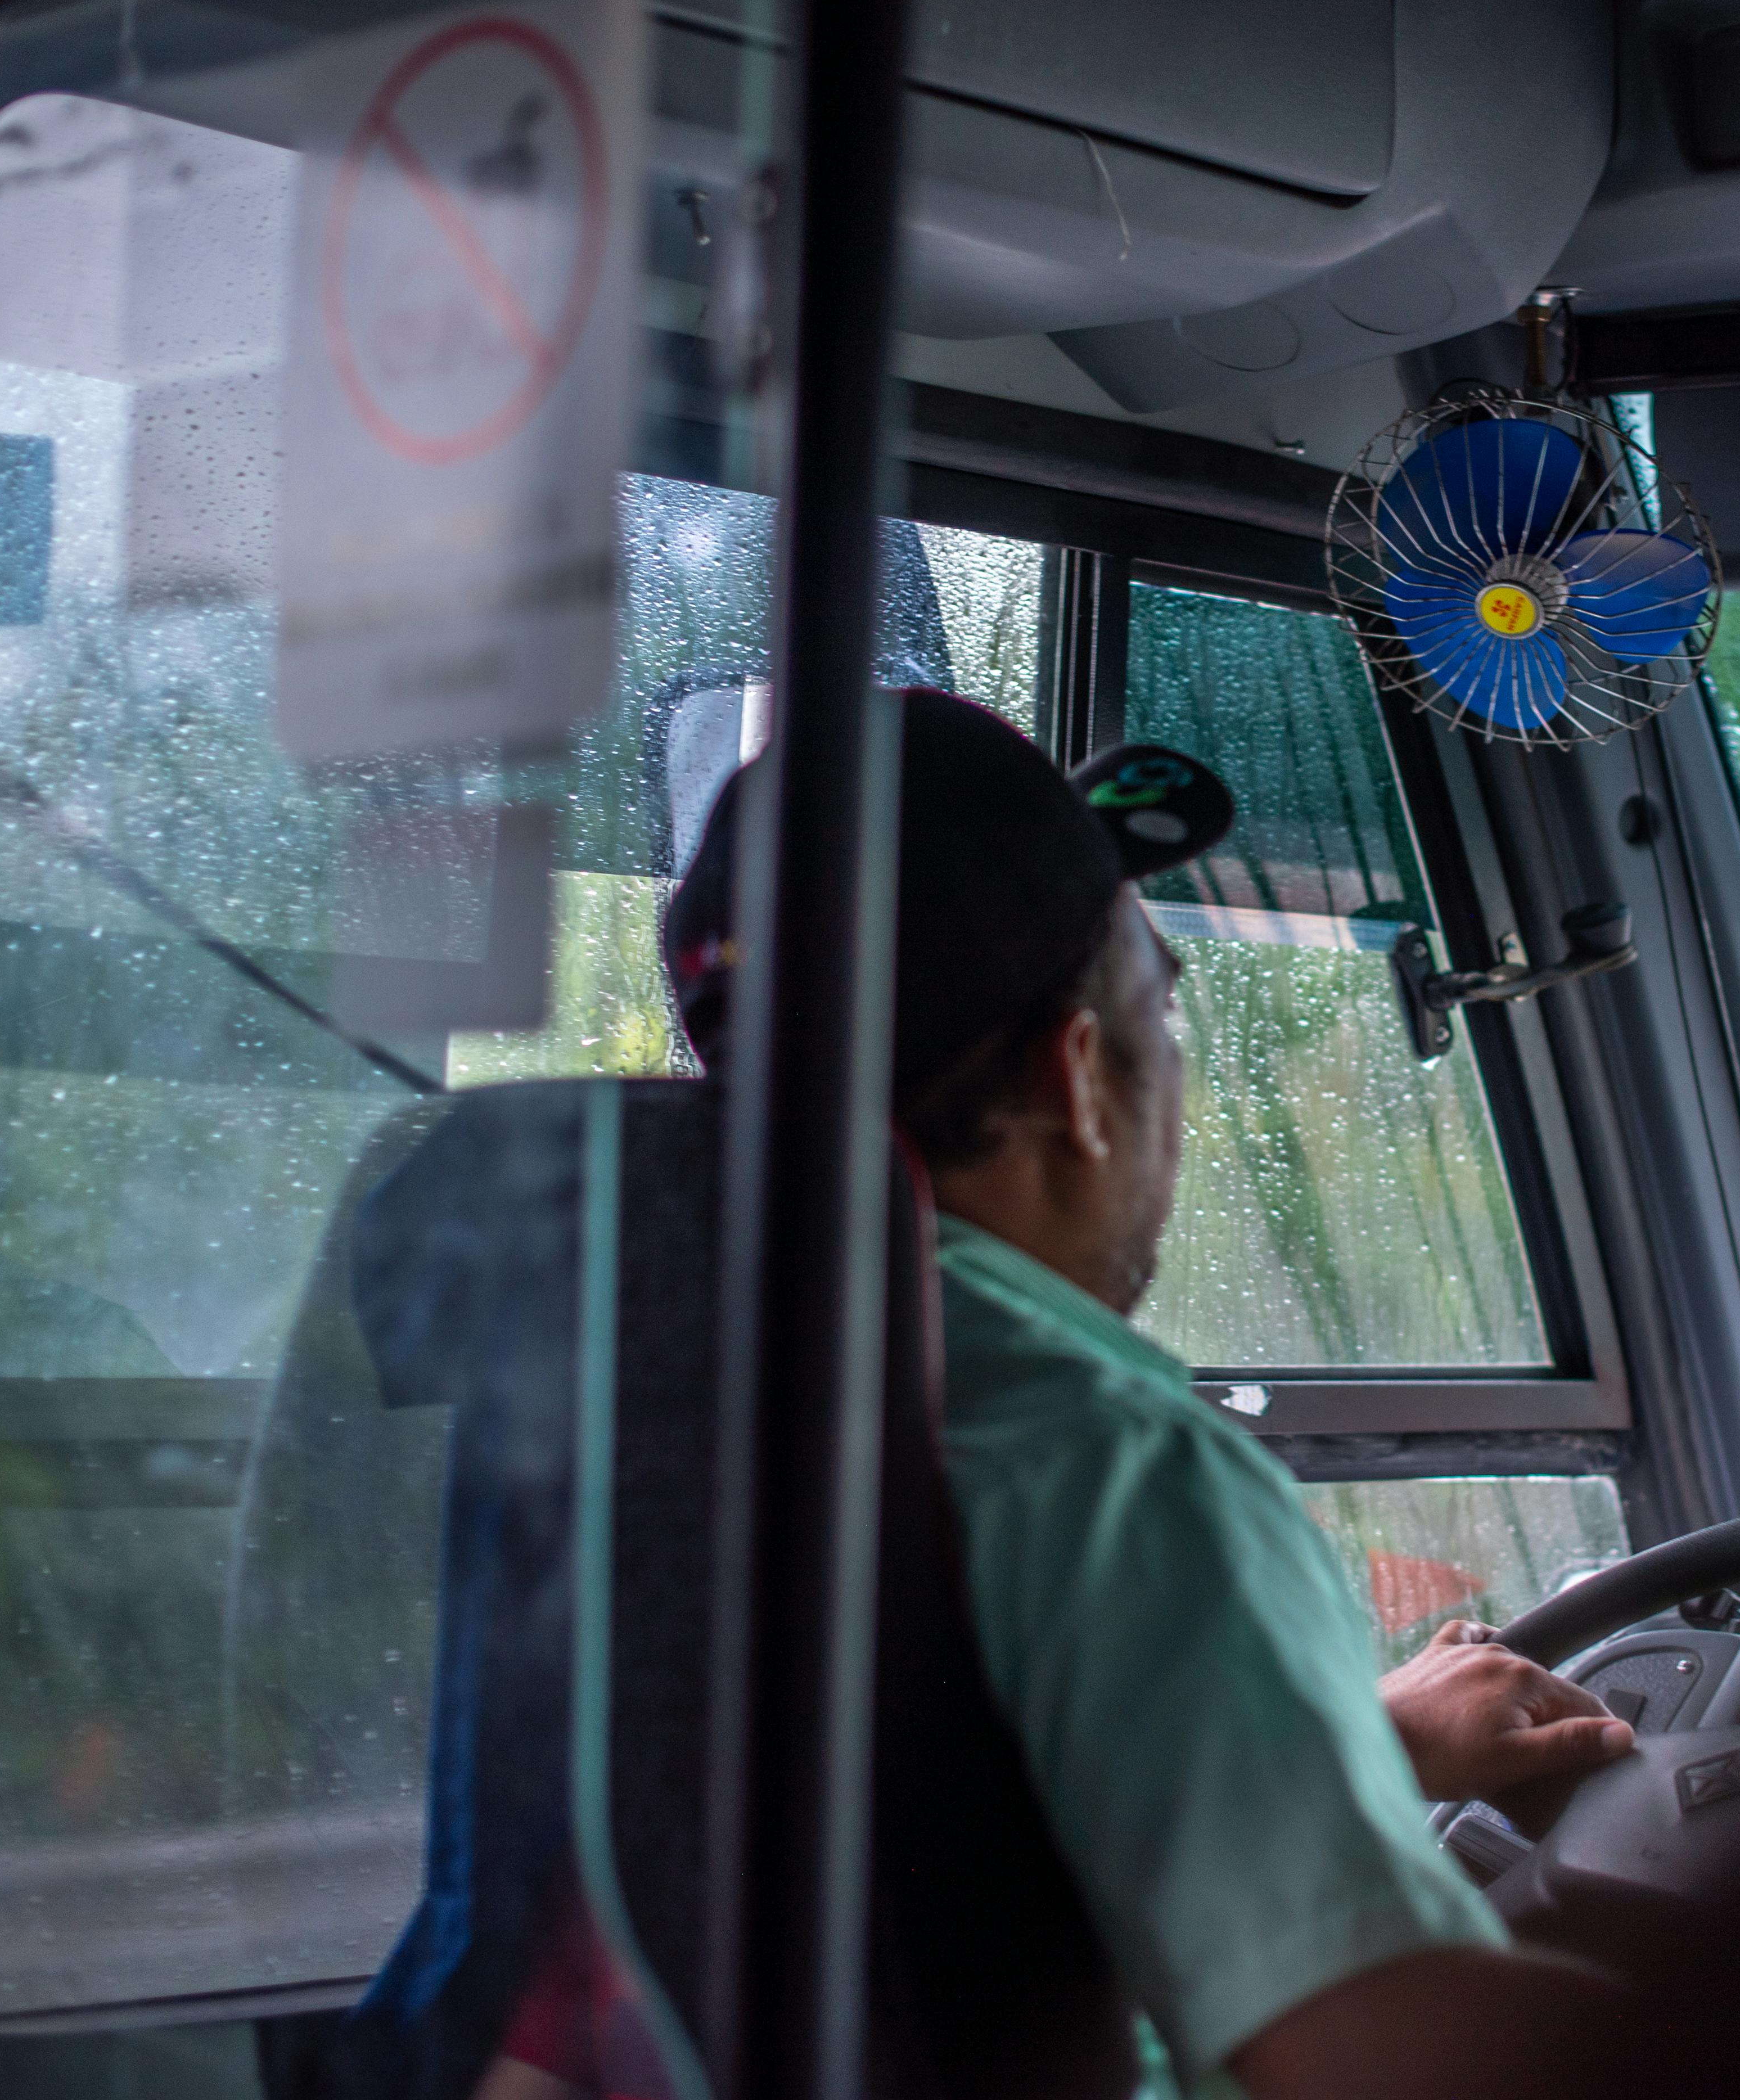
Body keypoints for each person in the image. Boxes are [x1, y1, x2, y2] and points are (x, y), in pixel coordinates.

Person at [638, 691, 1635, 2100]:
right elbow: (1386, 2057)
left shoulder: (665, 1401)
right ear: (1077, 1075)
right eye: (1158, 1009)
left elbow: (874, 1848)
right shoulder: (1103, 1464)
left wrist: (1340, 1753)